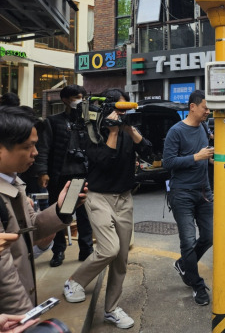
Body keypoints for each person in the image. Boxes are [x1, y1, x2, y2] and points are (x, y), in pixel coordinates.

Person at [63, 89, 152, 329]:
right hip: (98, 197)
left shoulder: (128, 130)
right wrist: (113, 131)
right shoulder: (93, 131)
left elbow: (148, 152)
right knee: (109, 249)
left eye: (126, 109)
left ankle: (111, 309)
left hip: (124, 198)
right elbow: (102, 160)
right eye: (119, 109)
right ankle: (74, 281)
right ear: (107, 110)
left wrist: (129, 128)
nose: (123, 114)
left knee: (121, 257)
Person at [0, 106, 77, 314]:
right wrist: (24, 317)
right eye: (29, 146)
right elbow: (3, 272)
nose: (36, 152)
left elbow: (32, 227)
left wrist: (63, 208)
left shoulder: (13, 180)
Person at [30, 85, 94, 267]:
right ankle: (58, 251)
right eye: (76, 97)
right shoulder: (53, 121)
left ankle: (86, 250)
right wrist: (43, 172)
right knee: (60, 214)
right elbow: (44, 149)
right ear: (65, 99)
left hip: (82, 174)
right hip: (61, 175)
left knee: (84, 215)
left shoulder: (87, 121)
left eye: (82, 96)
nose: (79, 100)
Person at [162, 90, 214, 306]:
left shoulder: (203, 127)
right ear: (192, 107)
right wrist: (196, 157)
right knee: (188, 240)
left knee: (210, 236)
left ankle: (184, 264)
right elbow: (168, 163)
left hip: (204, 191)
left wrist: (209, 159)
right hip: (181, 193)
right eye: (205, 107)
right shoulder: (176, 131)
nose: (207, 112)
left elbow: (205, 151)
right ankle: (197, 285)